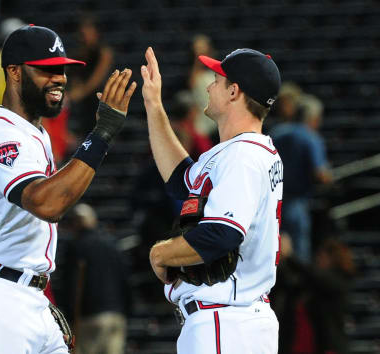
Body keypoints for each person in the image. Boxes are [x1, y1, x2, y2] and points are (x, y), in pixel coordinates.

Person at [0, 24, 136, 353]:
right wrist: (102, 134)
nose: (58, 77)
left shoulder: (36, 134)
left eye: (61, 69)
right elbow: (47, 203)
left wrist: (35, 298)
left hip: (26, 296)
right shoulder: (2, 134)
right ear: (14, 72)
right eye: (46, 69)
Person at [141, 47, 283, 353]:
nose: (208, 85)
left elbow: (222, 233)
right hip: (237, 320)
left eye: (216, 80)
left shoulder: (242, 156)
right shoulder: (248, 151)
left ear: (234, 91)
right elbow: (183, 183)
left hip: (226, 321)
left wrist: (160, 254)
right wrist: (154, 105)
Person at [53, 203, 131, 354]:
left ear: (76, 223)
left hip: (87, 317)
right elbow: (125, 279)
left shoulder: (76, 247)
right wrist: (126, 310)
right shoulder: (111, 244)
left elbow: (71, 284)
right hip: (115, 315)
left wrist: (69, 315)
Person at [270, 93, 333, 263]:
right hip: (297, 204)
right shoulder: (311, 138)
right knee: (299, 256)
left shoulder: (277, 132)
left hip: (272, 203)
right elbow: (321, 174)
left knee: (273, 251)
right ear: (312, 118)